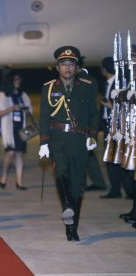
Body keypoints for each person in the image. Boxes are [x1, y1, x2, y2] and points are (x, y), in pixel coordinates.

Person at [38, 46, 99, 241]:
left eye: (71, 64)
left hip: (79, 139)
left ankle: (72, 227)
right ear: (57, 67)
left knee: (77, 185)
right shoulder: (49, 87)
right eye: (63, 64)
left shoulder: (88, 85)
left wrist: (93, 135)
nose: (67, 68)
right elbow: (45, 116)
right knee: (61, 172)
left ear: (77, 67)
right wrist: (44, 142)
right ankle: (66, 206)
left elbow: (94, 114)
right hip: (57, 138)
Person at [0, 71, 32, 190]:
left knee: (19, 154)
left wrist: (25, 110)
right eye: (16, 79)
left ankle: (19, 182)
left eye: (19, 79)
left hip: (22, 128)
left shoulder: (23, 95)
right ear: (10, 81)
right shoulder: (3, 95)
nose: (18, 82)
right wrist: (11, 108)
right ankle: (4, 175)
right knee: (10, 153)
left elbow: (30, 110)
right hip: (9, 129)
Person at [98, 57, 130, 199]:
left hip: (118, 128)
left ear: (105, 69)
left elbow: (123, 107)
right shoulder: (107, 83)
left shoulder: (119, 84)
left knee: (119, 159)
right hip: (107, 126)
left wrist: (109, 106)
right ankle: (115, 190)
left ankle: (128, 191)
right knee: (110, 159)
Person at [76, 57, 107, 192]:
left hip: (83, 124)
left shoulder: (82, 80)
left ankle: (81, 183)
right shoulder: (91, 79)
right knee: (88, 154)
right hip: (87, 123)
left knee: (80, 154)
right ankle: (98, 182)